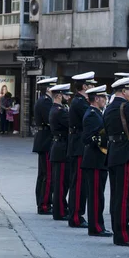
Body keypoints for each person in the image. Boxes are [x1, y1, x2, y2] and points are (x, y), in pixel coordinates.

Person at [103, 76, 129, 247]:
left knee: (117, 197)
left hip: (114, 153)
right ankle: (123, 235)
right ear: (124, 91)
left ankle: (118, 232)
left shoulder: (110, 107)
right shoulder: (128, 106)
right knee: (125, 197)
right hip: (126, 154)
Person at [81, 85, 113, 237]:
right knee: (95, 196)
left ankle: (98, 225)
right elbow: (89, 138)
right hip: (94, 159)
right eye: (104, 97)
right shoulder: (92, 114)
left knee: (98, 195)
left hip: (98, 160)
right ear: (97, 98)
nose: (105, 100)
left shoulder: (97, 113)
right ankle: (96, 227)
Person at [67, 72, 97, 229]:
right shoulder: (80, 103)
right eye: (91, 86)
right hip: (78, 145)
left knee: (79, 182)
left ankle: (76, 214)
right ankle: (76, 216)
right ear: (84, 86)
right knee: (78, 183)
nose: (92, 89)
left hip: (78, 144)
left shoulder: (79, 101)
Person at [33, 77, 57, 215]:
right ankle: (44, 204)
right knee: (47, 175)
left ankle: (43, 202)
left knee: (44, 174)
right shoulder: (46, 102)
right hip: (46, 140)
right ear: (48, 89)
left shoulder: (44, 101)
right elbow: (51, 121)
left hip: (44, 139)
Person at [49, 84, 73, 221]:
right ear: (59, 95)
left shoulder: (56, 109)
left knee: (61, 182)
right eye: (66, 95)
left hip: (59, 147)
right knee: (61, 183)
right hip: (62, 149)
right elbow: (71, 124)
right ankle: (60, 211)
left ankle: (61, 209)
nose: (69, 97)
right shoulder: (60, 111)